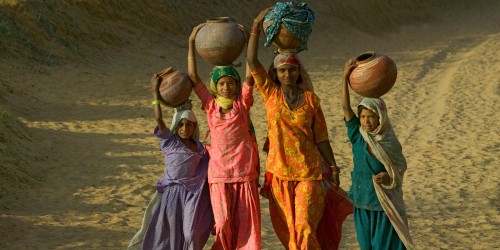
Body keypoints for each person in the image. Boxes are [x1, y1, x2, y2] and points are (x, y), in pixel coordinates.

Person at [247, 8, 343, 249]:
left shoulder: (311, 100)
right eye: (282, 70)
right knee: (292, 233)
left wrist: (332, 165)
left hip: (310, 173)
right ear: (276, 74)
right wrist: (256, 27)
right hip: (279, 174)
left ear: (299, 72)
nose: (287, 73)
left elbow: (321, 137)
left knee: (304, 227)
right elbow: (251, 62)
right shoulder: (270, 94)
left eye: (292, 69)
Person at [188, 24, 261, 249]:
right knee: (223, 224)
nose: (226, 87)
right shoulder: (209, 106)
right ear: (215, 86)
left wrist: (253, 34)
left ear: (237, 85)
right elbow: (192, 76)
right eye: (222, 83)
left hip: (244, 174)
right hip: (219, 175)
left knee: (247, 227)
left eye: (231, 83)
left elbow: (252, 68)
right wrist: (192, 41)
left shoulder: (242, 104)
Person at [130, 74, 214, 250]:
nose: (185, 128)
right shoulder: (170, 141)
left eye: (189, 125)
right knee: (166, 234)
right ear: (176, 126)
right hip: (171, 196)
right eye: (181, 125)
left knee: (190, 233)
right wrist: (155, 92)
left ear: (194, 127)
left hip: (191, 196)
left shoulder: (199, 149)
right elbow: (159, 120)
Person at [341, 58, 414, 249]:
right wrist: (344, 77)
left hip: (383, 205)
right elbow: (345, 108)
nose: (366, 121)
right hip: (361, 202)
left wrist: (388, 176)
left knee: (382, 245)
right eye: (363, 117)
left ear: (380, 118)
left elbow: (399, 168)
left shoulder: (389, 141)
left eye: (371, 117)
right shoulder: (358, 135)